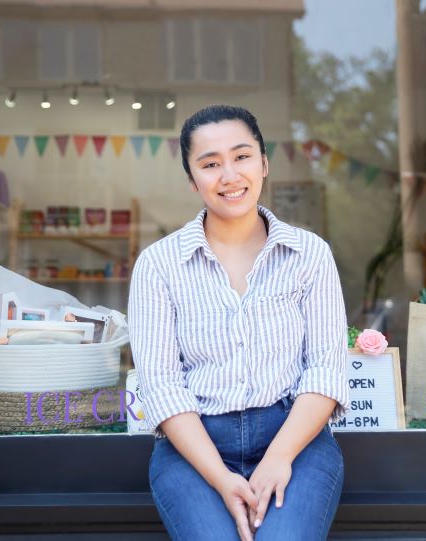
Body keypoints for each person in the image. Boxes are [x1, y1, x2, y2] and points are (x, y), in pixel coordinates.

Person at [128, 104, 350, 541]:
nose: (229, 175)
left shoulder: (310, 254)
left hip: (294, 440)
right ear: (193, 180)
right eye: (210, 164)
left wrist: (278, 457)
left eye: (242, 156)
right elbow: (161, 385)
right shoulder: (158, 265)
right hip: (194, 449)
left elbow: (326, 368)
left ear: (264, 163)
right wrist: (219, 477)